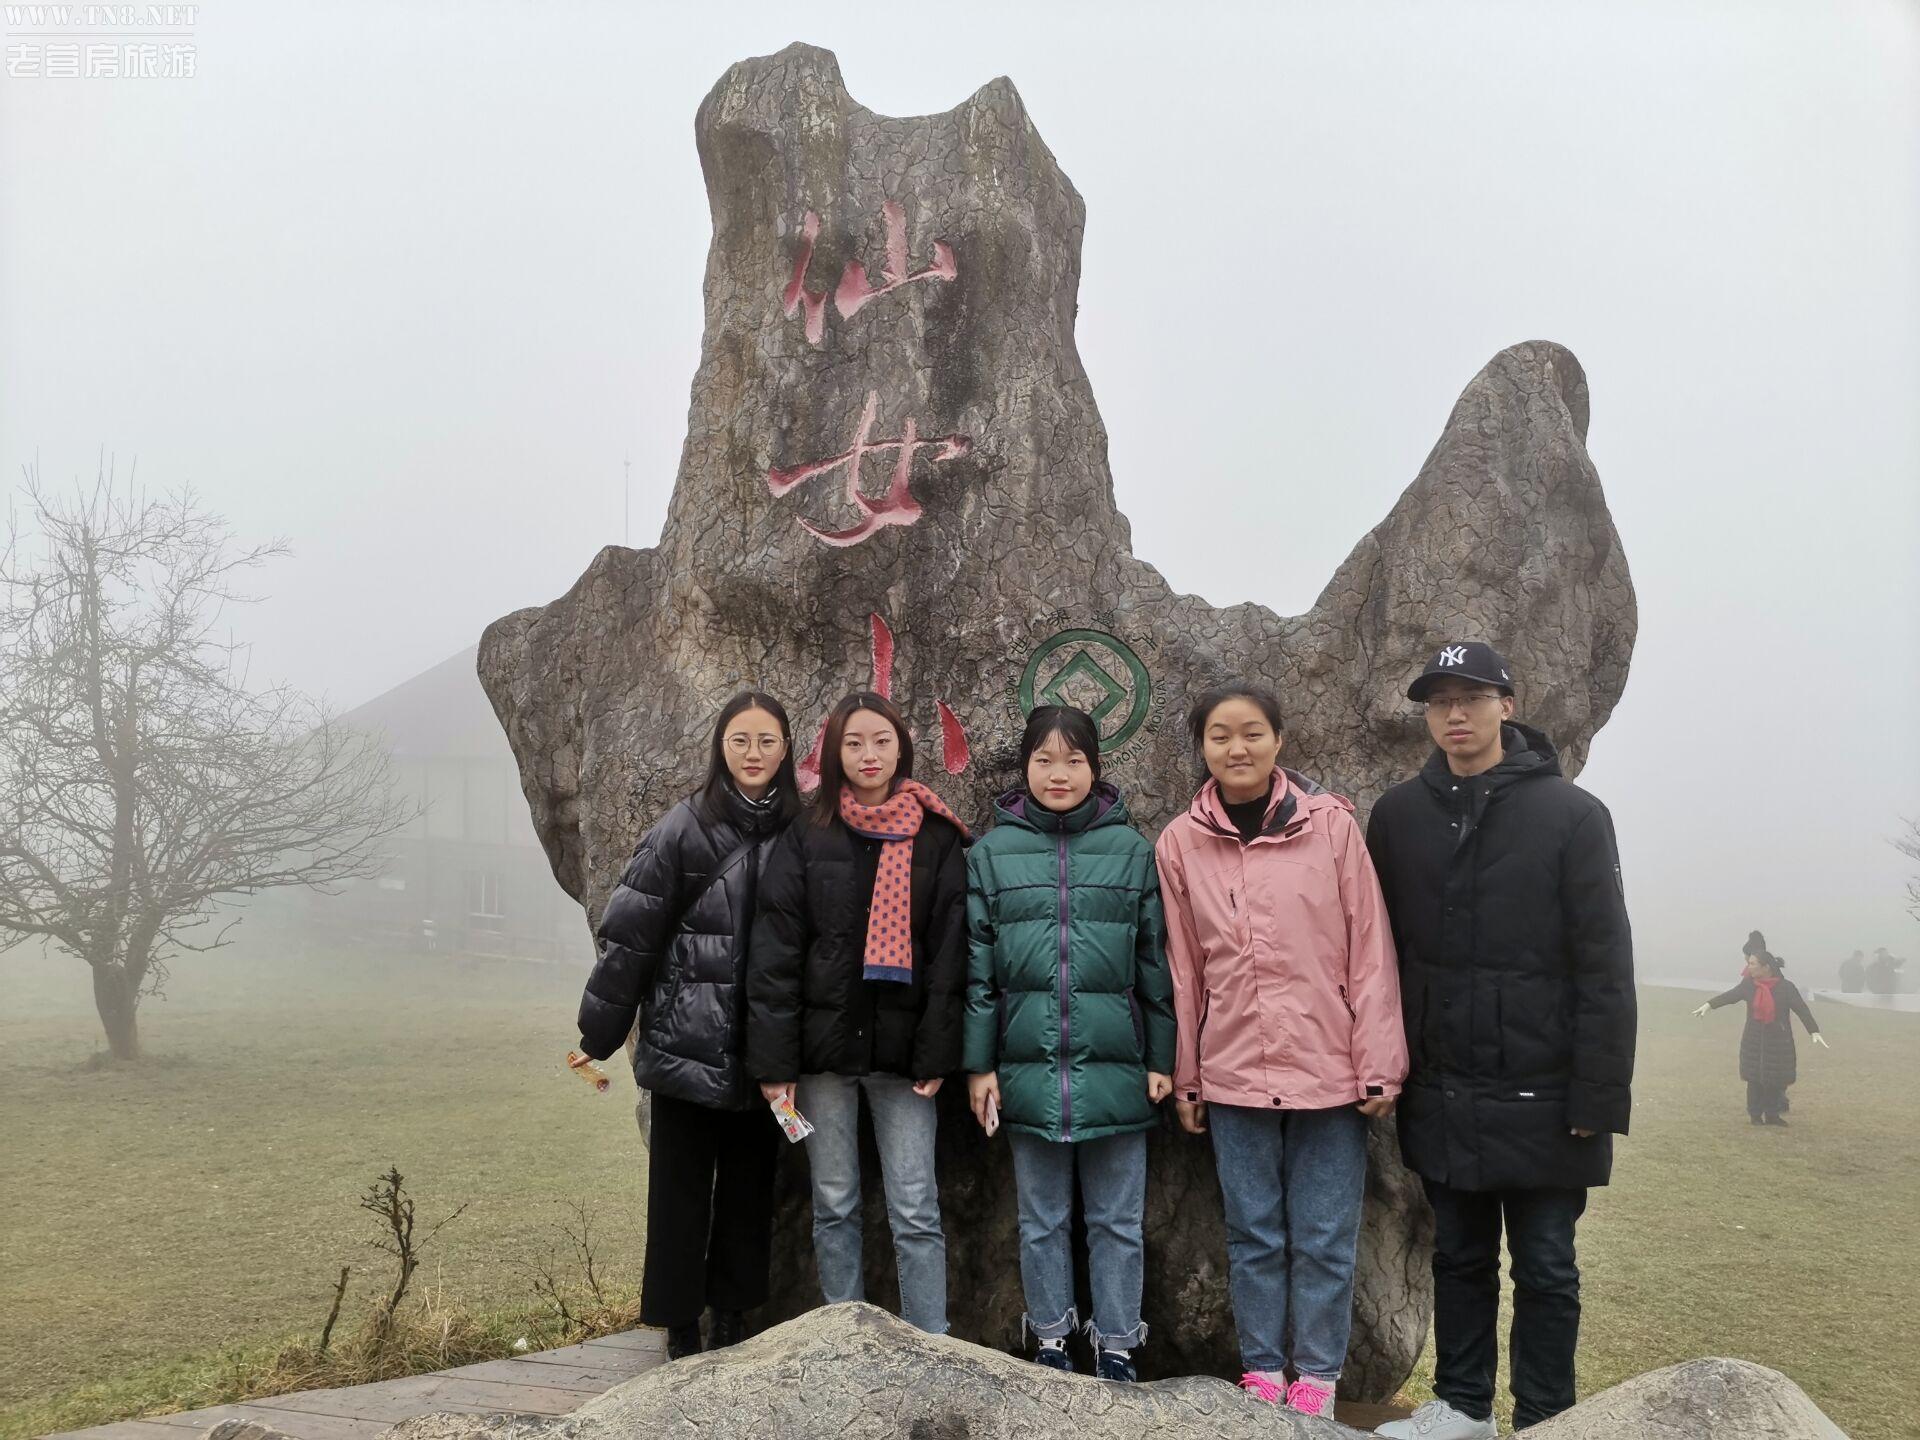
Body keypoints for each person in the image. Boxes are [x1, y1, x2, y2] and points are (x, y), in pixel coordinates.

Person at [1365, 642, 1635, 1440]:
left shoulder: (1574, 816)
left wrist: (1597, 1093)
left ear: (1507, 706)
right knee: (1458, 1258)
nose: (1456, 713)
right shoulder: (1398, 816)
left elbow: (1605, 965)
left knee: (1548, 1265)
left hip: (1547, 1092)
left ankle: (1548, 1416)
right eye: (1440, 699)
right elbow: (1377, 954)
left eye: (1473, 697)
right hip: (1444, 1086)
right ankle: (1462, 1408)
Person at [1154, 682, 1406, 1418]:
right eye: (1221, 735)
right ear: (1201, 748)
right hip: (1232, 1075)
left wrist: (1380, 1062)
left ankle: (1318, 1380)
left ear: (1279, 740)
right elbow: (1184, 972)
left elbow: (1371, 951)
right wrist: (1188, 1079)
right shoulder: (1180, 842)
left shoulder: (1329, 828)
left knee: (1326, 1238)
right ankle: (1263, 1371)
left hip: (1332, 1072)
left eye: (1253, 732)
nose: (1238, 748)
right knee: (1254, 1234)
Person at [577, 691, 801, 1359]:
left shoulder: (802, 830)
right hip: (684, 1041)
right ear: (720, 747)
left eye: (766, 740)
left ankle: (731, 1320)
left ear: (786, 748)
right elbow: (631, 934)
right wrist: (600, 1031)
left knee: (747, 1196)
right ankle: (679, 1327)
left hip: (763, 1051)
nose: (754, 753)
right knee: (677, 1198)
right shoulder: (684, 827)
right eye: (740, 740)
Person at [962, 706, 1177, 1381]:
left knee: (1117, 1221)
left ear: (1096, 766)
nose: (1059, 774)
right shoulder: (991, 855)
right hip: (1025, 1070)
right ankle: (1051, 1339)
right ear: (1024, 766)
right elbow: (978, 973)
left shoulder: (1133, 853)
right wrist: (979, 1066)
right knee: (1041, 1220)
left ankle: (1117, 1344)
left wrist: (1161, 1059)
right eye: (1045, 759)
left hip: (1118, 1066)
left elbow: (1154, 963)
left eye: (1074, 760)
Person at [745, 691, 969, 1334]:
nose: (868, 755)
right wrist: (775, 1062)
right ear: (834, 753)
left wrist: (937, 1051)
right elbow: (777, 952)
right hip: (821, 1056)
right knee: (834, 1202)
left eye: (880, 740)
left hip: (905, 1059)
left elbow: (950, 953)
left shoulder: (937, 836)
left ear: (901, 746)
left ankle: (933, 1343)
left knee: (916, 1208)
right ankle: (844, 1339)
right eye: (853, 743)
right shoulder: (807, 833)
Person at [1693, 933, 1828, 1124]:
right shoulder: (1749, 985)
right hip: (1754, 1038)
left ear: (1766, 967)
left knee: (1775, 1079)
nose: (1749, 967)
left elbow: (1801, 1009)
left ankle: (1772, 1115)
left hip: (1778, 1039)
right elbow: (1730, 996)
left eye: (1753, 963)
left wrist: (1814, 1031)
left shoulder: (1786, 987)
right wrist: (1708, 1005)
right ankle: (1755, 1114)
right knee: (1754, 1078)